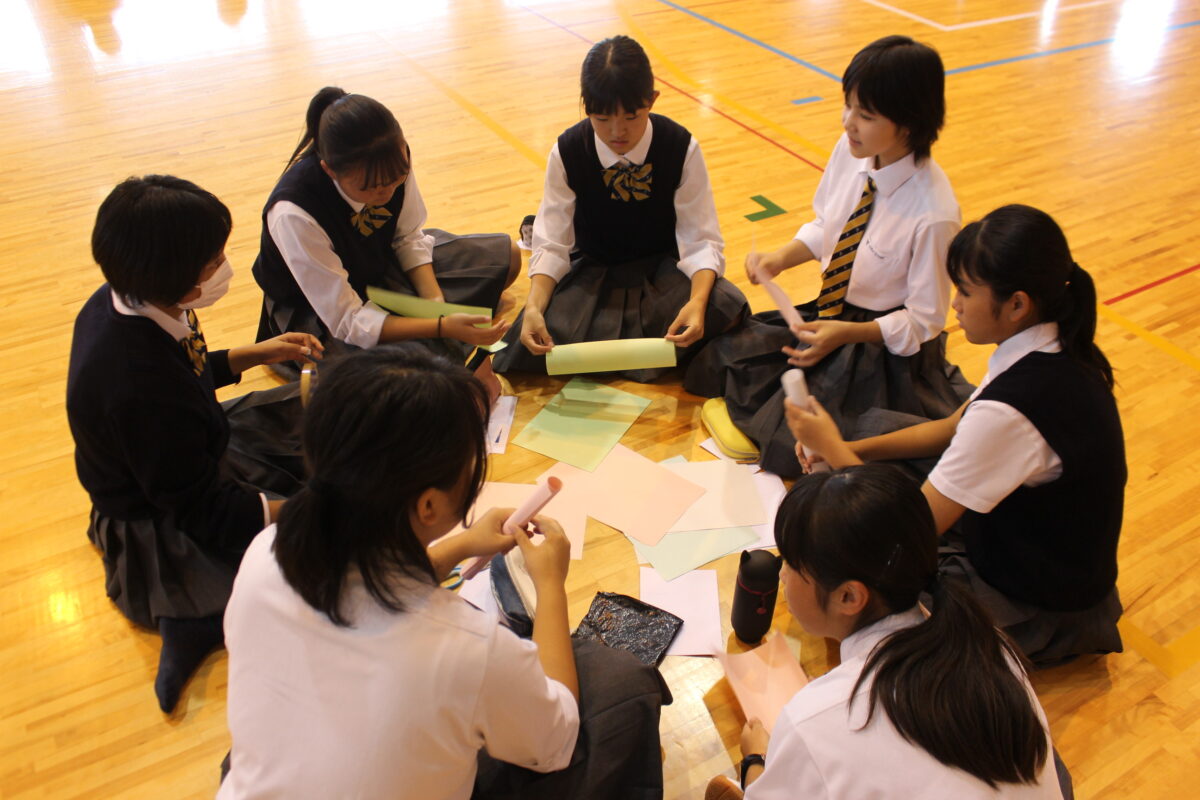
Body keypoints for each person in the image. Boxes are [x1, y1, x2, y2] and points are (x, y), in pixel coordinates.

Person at [220, 344, 669, 799]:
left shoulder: (267, 552)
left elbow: (370, 594)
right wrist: (551, 586)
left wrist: (459, 547)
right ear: (429, 505)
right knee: (620, 682)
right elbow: (556, 740)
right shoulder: (466, 646)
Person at [788, 204, 1125, 667]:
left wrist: (831, 448)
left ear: (1017, 304)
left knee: (881, 595)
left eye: (965, 291)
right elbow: (951, 428)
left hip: (1036, 593)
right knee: (875, 434)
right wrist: (848, 448)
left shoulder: (1012, 410)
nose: (956, 304)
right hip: (1025, 533)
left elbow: (911, 530)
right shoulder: (1047, 344)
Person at [66, 175, 322, 713]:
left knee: (314, 414)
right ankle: (190, 620)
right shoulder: (135, 385)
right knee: (306, 557)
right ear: (174, 275)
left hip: (187, 445)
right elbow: (200, 508)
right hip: (156, 509)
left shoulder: (130, 298)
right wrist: (314, 510)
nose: (223, 267)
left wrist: (258, 352)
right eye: (213, 261)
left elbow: (188, 372)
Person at [685, 35, 970, 476]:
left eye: (866, 115)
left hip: (878, 347)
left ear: (909, 124)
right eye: (848, 106)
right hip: (831, 316)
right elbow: (829, 226)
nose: (848, 123)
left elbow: (923, 321)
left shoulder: (933, 213)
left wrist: (847, 335)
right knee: (717, 359)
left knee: (796, 445)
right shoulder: (852, 152)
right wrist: (781, 258)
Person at [708, 465, 1068, 799]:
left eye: (792, 564)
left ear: (849, 596)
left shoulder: (815, 723)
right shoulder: (990, 643)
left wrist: (756, 759)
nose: (782, 575)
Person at [492, 35, 748, 382]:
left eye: (631, 116)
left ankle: (607, 355)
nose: (617, 132)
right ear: (585, 107)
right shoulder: (567, 151)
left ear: (652, 100)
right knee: (533, 334)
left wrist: (697, 303)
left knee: (726, 307)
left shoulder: (681, 147)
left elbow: (700, 240)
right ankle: (651, 355)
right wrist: (535, 307)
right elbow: (552, 245)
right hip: (592, 271)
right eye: (601, 119)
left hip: (662, 272)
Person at [252, 86, 518, 370]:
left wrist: (435, 305)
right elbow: (347, 320)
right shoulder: (293, 212)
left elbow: (407, 237)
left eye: (396, 179)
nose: (387, 192)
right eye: (371, 187)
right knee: (407, 370)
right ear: (330, 170)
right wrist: (439, 326)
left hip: (379, 267)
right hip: (314, 305)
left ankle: (423, 325)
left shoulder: (392, 160)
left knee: (509, 257)